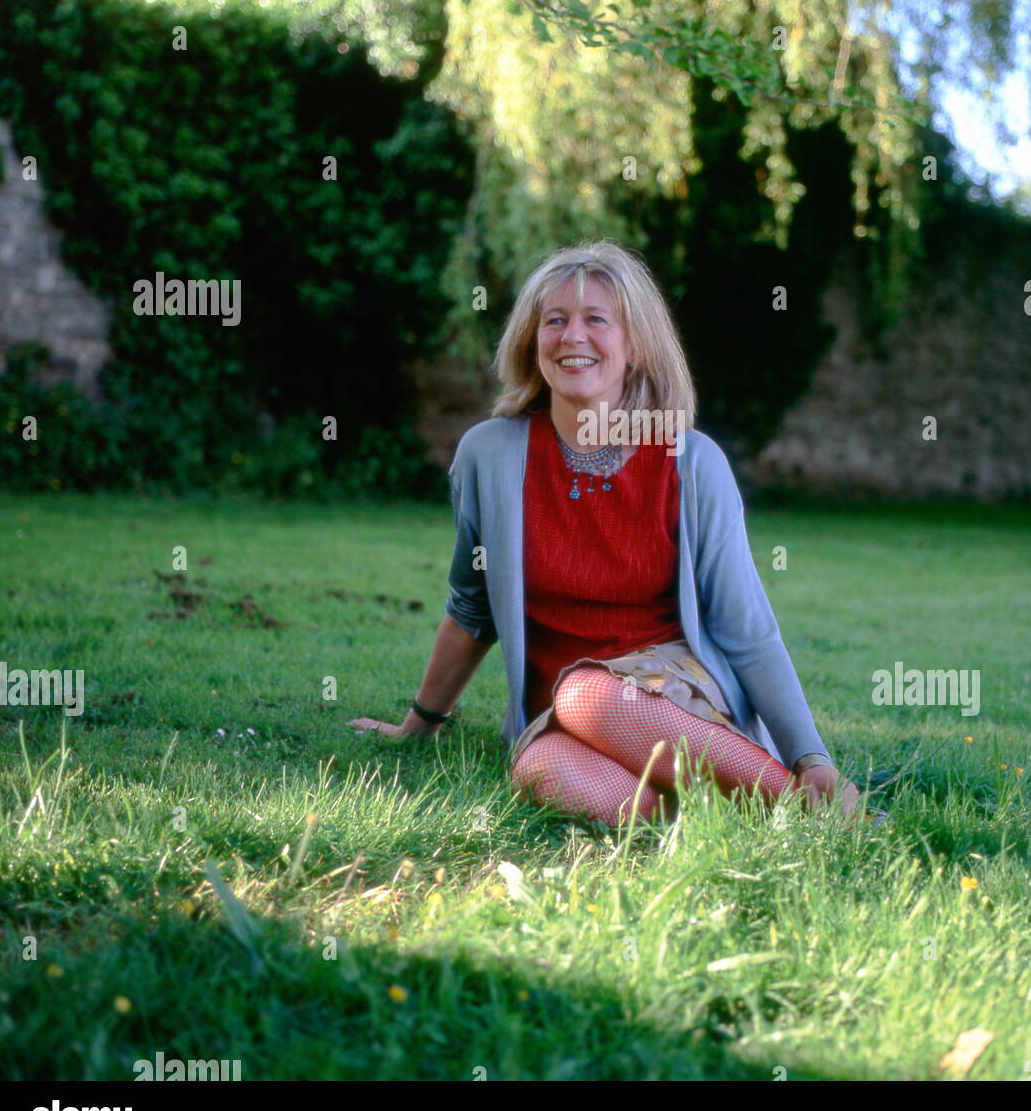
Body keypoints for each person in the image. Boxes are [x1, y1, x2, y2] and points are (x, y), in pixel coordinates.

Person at [349, 239, 865, 828]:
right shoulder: (487, 456)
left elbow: (746, 631)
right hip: (557, 717)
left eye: (597, 319)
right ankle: (698, 821)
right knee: (538, 770)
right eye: (555, 321)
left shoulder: (690, 463)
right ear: (532, 340)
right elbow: (472, 608)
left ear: (636, 346)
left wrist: (810, 754)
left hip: (675, 695)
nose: (572, 336)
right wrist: (419, 724)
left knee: (588, 694)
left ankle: (815, 806)